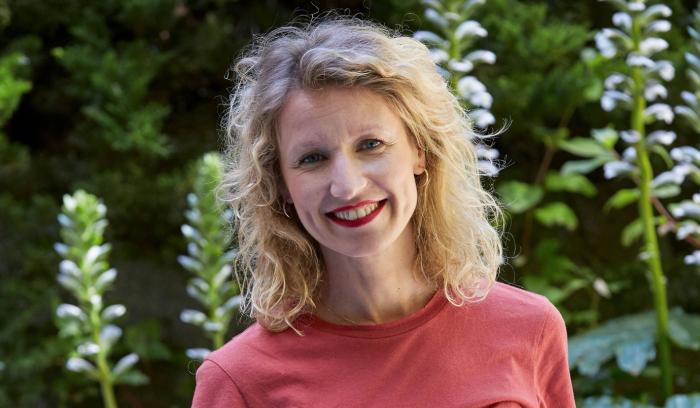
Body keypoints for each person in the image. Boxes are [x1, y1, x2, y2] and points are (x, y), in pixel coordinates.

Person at [192, 16, 575, 407]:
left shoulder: (529, 328)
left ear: (419, 151)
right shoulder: (240, 381)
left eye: (371, 145)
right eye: (312, 158)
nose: (347, 186)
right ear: (280, 185)